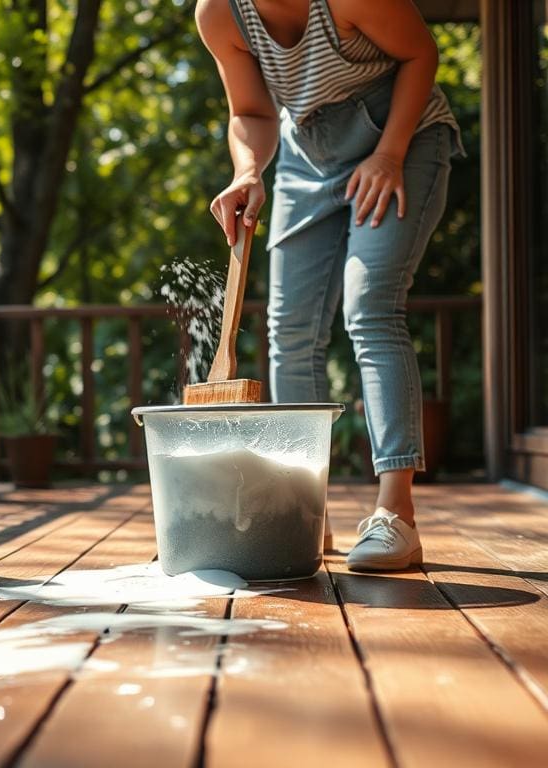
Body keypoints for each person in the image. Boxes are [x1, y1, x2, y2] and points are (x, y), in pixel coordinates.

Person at [194, 0, 464, 571]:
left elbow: (421, 53)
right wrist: (247, 171)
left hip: (402, 136)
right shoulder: (220, 14)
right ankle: (303, 513)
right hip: (306, 154)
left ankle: (397, 515)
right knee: (288, 329)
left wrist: (388, 155)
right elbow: (252, 112)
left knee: (370, 308)